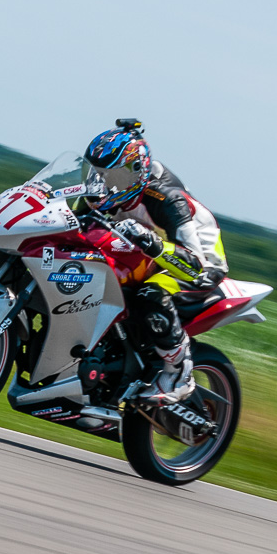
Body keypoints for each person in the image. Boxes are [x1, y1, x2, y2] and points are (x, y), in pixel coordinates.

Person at [81, 119, 228, 405]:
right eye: (97, 174)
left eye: (112, 177)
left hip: (199, 268)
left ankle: (179, 373)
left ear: (135, 171)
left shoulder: (167, 200)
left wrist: (152, 242)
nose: (104, 184)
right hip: (152, 259)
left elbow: (195, 263)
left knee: (149, 295)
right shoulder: (103, 195)